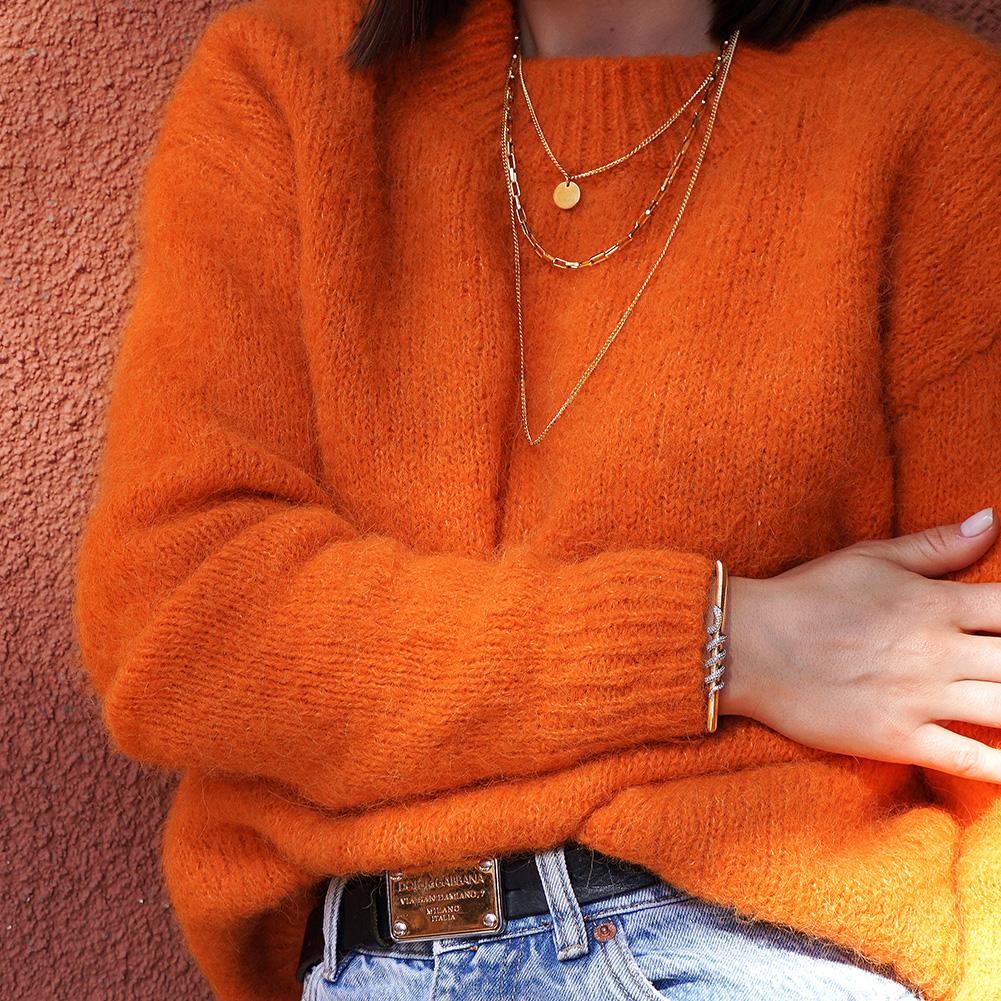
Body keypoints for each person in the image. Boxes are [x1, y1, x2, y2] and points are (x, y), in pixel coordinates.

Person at [71, 0, 1001, 997]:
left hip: (748, 944)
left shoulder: (920, 110)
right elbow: (178, 621)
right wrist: (720, 643)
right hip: (379, 951)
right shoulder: (291, 79)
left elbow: (979, 702)